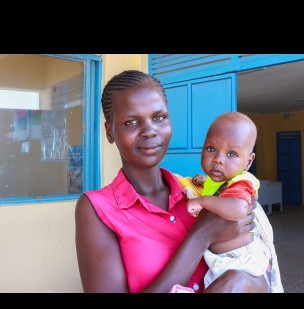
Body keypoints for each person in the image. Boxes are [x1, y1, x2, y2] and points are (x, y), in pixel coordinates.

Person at [75, 70, 270, 293]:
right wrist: (202, 235)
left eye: (159, 118)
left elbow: (259, 273)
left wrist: (240, 282)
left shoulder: (201, 192)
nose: (150, 131)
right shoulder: (97, 209)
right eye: (131, 122)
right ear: (110, 132)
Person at [176, 112, 283, 292]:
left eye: (232, 153)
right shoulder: (219, 179)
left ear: (248, 162)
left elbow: (238, 208)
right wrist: (205, 182)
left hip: (240, 260)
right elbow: (218, 190)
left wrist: (203, 200)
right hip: (224, 259)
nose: (218, 159)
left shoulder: (241, 182)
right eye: (211, 149)